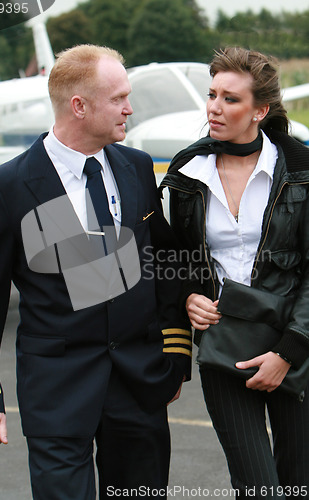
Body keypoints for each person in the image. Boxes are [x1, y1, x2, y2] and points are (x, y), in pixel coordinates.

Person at [0, 45, 192, 499]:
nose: (130, 109)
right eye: (118, 98)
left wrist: (174, 354)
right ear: (80, 106)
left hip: (139, 384)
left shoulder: (134, 166)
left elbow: (166, 262)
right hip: (57, 389)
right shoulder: (10, 185)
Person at [161, 47, 309, 499]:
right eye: (212, 94)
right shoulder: (188, 172)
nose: (214, 107)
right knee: (258, 487)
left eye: (230, 99)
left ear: (260, 111)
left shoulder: (301, 173)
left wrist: (288, 351)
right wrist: (188, 295)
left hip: (296, 348)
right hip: (224, 347)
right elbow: (175, 256)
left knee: (298, 484)